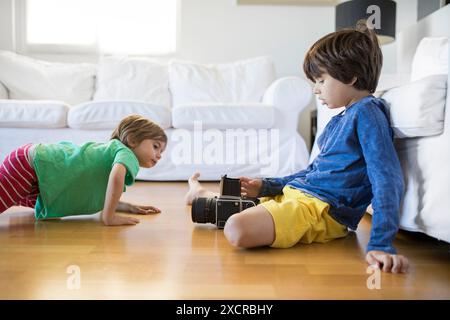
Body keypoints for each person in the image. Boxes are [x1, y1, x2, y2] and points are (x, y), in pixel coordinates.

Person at [185, 22, 409, 273]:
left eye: (321, 80)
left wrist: (381, 244)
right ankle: (200, 193)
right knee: (233, 203)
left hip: (320, 209)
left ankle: (206, 197)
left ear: (351, 76)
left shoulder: (368, 112)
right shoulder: (339, 120)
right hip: (298, 194)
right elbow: (311, 172)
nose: (316, 89)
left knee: (236, 228)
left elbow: (386, 177)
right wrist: (267, 185)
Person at [0, 114, 167, 226]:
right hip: (29, 166)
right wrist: (109, 217)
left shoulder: (113, 151)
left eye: (162, 151)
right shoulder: (126, 153)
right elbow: (116, 177)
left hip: (36, 172)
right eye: (155, 146)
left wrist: (127, 207)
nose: (159, 155)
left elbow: (102, 193)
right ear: (132, 140)